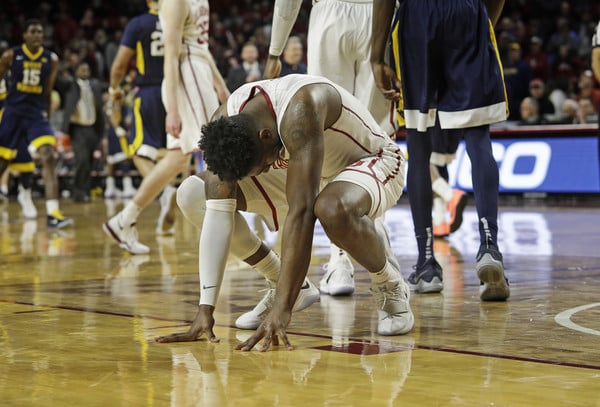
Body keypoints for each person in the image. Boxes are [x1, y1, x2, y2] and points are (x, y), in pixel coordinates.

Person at [156, 74, 413, 348]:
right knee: (195, 193)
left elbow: (301, 215)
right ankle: (283, 280)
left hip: (370, 161)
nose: (267, 167)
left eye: (263, 164)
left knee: (330, 209)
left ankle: (390, 284)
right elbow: (219, 213)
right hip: (310, 168)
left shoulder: (302, 108)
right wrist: (205, 309)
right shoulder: (227, 121)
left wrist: (282, 309)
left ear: (265, 135)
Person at [371, 0, 510, 300]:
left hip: (417, 18)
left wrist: (375, 56)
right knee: (478, 137)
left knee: (419, 145)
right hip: (467, 12)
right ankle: (489, 246)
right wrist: (481, 21)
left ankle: (427, 263)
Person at [263, 0, 398, 297]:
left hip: (329, 15)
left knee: (324, 128)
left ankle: (339, 262)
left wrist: (275, 49)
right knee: (376, 135)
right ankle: (379, 235)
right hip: (379, 14)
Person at [103, 0, 229, 254]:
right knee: (218, 152)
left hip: (200, 70)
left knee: (178, 159)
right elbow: (171, 57)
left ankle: (124, 220)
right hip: (188, 76)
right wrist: (172, 109)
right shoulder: (174, 2)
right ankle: (226, 241)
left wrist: (219, 83)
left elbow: (201, 45)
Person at [108, 0, 176, 233]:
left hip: (149, 92)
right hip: (176, 92)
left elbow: (119, 66)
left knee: (137, 150)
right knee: (173, 153)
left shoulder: (139, 23)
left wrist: (114, 89)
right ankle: (172, 198)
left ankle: (165, 191)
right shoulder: (180, 18)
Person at [0, 19, 72, 229]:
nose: (37, 35)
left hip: (35, 115)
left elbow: (48, 92)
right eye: (33, 32)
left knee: (48, 155)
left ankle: (53, 213)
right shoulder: (11, 55)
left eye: (40, 32)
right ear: (24, 35)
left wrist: (47, 118)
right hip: (12, 112)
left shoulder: (51, 59)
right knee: (3, 163)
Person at [59, 61, 105, 202]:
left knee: (90, 162)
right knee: (82, 160)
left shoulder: (95, 85)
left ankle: (84, 191)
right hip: (77, 128)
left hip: (93, 128)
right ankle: (77, 191)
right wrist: (62, 65)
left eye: (87, 69)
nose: (85, 71)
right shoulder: (70, 85)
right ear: (76, 71)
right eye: (82, 69)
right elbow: (57, 80)